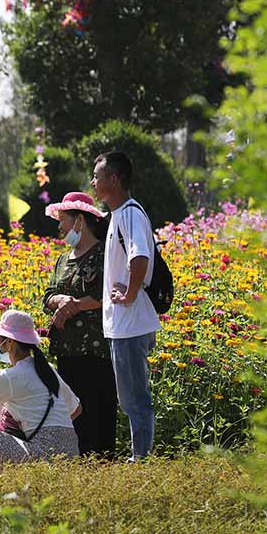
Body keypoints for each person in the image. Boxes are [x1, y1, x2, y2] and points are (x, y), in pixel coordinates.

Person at [91, 151, 161, 460]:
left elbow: (140, 256)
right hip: (124, 324)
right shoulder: (118, 215)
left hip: (131, 323)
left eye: (97, 176)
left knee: (135, 400)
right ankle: (140, 456)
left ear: (114, 179)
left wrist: (130, 294)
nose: (93, 182)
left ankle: (141, 459)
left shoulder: (130, 214)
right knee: (130, 398)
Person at [42, 192, 117, 458]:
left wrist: (72, 305)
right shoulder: (63, 260)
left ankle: (102, 466)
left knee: (98, 410)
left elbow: (107, 293)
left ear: (80, 221)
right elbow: (48, 295)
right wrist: (61, 301)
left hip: (96, 349)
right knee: (73, 413)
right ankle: (77, 465)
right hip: (66, 349)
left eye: (63, 220)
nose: (60, 227)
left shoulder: (105, 254)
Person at [0, 309, 81, 467]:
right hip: (71, 453)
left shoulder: (9, 377)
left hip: (43, 455)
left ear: (10, 342)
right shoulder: (48, 370)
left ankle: (4, 478)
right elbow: (76, 409)